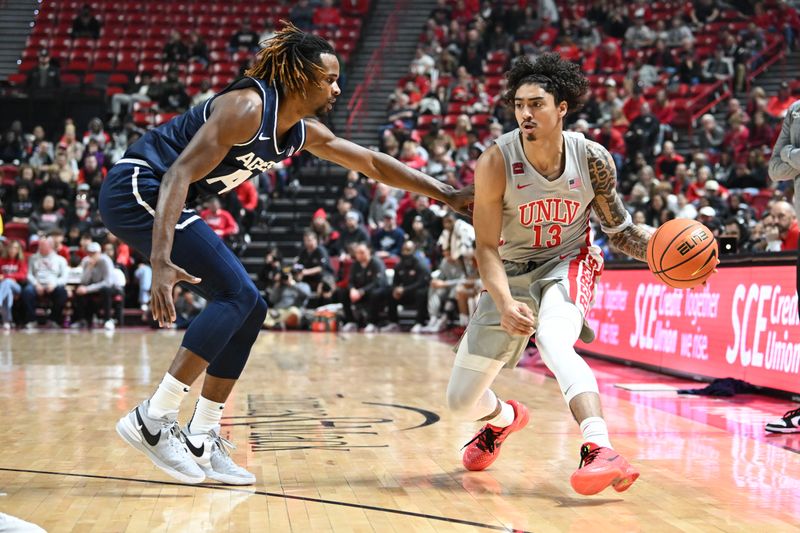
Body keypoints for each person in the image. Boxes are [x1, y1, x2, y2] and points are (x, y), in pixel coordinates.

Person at [99, 24, 472, 486]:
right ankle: (153, 418)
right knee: (236, 295)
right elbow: (177, 174)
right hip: (139, 187)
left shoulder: (300, 131)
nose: (337, 87)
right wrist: (160, 262)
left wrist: (446, 193)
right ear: (300, 78)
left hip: (166, 198)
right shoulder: (247, 108)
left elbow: (372, 162)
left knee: (252, 308)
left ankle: (202, 434)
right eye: (328, 79)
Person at [445, 53, 660, 496]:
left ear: (562, 107)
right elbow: (486, 247)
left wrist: (658, 251)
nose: (526, 113)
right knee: (460, 401)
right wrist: (504, 303)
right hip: (510, 270)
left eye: (537, 103)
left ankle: (599, 447)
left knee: (552, 340)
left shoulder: (592, 159)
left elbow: (620, 232)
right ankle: (505, 419)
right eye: (519, 104)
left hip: (568, 259)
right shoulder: (495, 161)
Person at [21, 236, 69, 329]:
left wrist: (54, 284)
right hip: (37, 284)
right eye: (40, 246)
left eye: (43, 246)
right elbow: (29, 275)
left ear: (51, 246)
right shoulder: (33, 258)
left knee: (62, 292)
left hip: (53, 285)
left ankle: (54, 319)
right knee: (27, 291)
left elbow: (64, 278)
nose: (40, 248)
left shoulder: (60, 260)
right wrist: (36, 284)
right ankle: (32, 320)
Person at [71, 241, 119, 330]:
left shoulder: (106, 261)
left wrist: (88, 289)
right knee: (78, 290)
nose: (92, 255)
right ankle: (82, 320)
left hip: (109, 287)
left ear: (99, 252)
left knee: (106, 290)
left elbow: (108, 282)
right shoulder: (85, 261)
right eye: (90, 253)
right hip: (93, 287)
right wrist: (89, 268)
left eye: (94, 253)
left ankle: (107, 320)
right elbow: (83, 281)